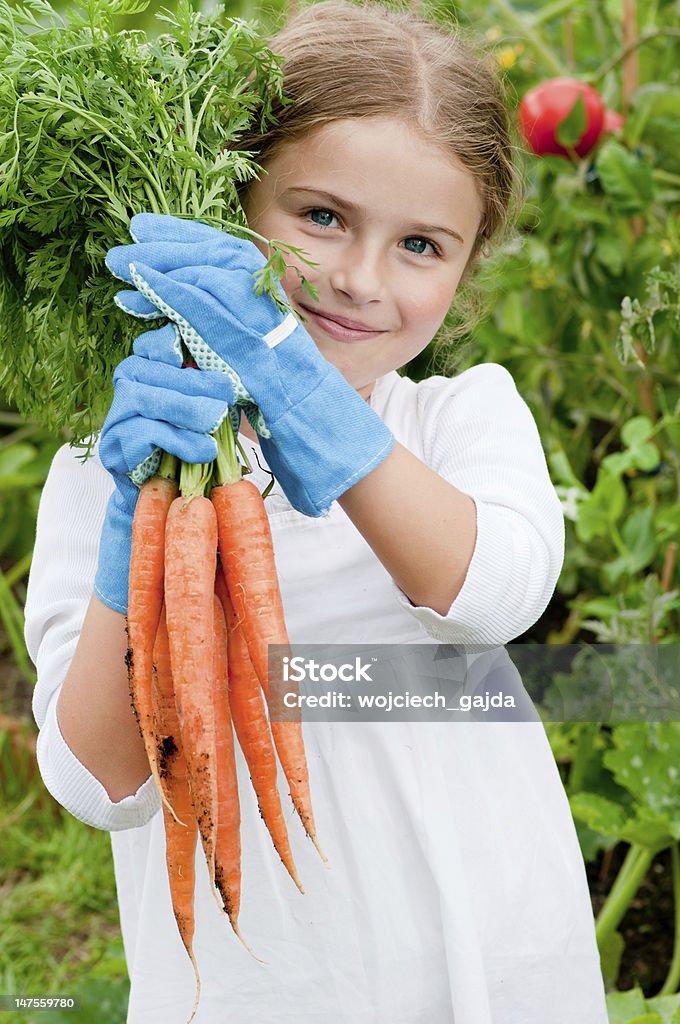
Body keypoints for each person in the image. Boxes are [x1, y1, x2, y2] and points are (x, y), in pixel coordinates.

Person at [25, 2, 608, 1021]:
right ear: (227, 200)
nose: (357, 277)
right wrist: (141, 525)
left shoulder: (456, 419)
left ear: (466, 270)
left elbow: (492, 588)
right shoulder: (109, 463)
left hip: (491, 967)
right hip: (255, 983)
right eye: (321, 216)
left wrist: (298, 391)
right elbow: (95, 783)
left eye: (420, 244)